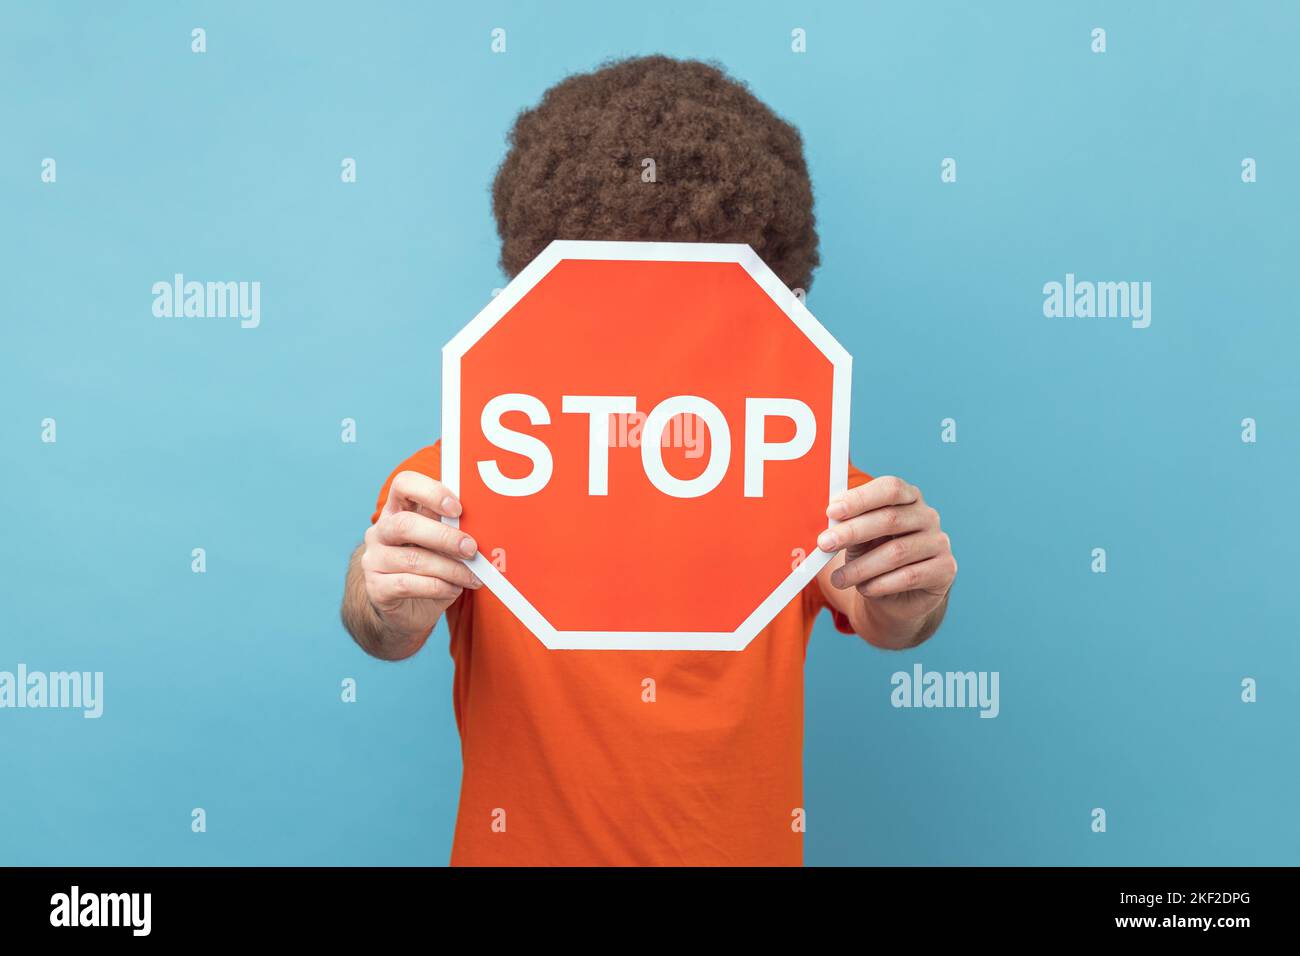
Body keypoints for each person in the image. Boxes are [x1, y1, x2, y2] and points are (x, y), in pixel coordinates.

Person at [340, 55, 956, 866]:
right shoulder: (466, 464)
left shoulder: (793, 462)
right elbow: (379, 624)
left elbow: (890, 617)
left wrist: (910, 590)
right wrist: (385, 600)